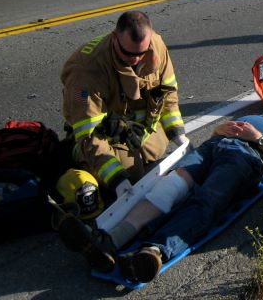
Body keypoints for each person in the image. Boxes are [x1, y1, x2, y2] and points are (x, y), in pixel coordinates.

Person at [58, 103, 263, 283]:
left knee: (207, 199)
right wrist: (218, 130)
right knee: (169, 187)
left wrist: (257, 139)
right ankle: (110, 241)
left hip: (245, 157)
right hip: (213, 146)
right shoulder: (257, 116)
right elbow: (215, 135)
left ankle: (154, 251)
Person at [61, 11, 186, 199]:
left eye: (141, 53)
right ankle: (77, 155)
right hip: (103, 137)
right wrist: (117, 179)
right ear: (114, 38)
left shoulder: (156, 46)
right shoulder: (87, 69)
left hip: (138, 130)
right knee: (128, 174)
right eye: (127, 53)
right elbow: (90, 134)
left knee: (158, 149)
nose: (135, 59)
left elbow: (168, 94)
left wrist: (178, 134)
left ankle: (134, 156)